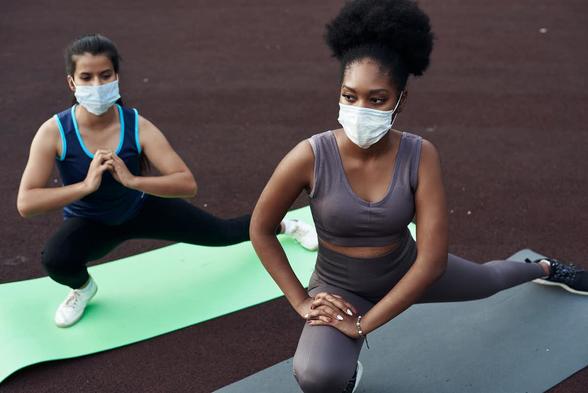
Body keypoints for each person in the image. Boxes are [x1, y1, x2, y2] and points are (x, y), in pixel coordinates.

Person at [248, 1, 588, 392]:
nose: (360, 109)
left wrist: (362, 325)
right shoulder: (309, 155)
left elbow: (432, 262)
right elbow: (260, 228)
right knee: (317, 377)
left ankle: (544, 268)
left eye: (376, 99)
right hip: (340, 288)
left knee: (490, 278)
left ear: (400, 101)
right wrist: (301, 300)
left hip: (410, 271)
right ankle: (345, 371)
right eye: (349, 95)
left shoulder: (419, 154)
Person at [17, 34, 318, 329]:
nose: (97, 85)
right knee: (56, 259)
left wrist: (132, 180)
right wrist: (85, 187)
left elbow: (187, 184)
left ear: (116, 78)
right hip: (91, 222)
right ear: (72, 83)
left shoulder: (137, 125)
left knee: (223, 233)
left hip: (141, 209)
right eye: (86, 77)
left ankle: (284, 225)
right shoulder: (54, 132)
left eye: (105, 75)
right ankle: (83, 289)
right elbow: (26, 203)